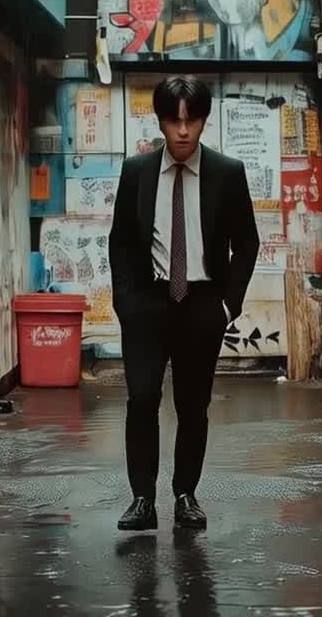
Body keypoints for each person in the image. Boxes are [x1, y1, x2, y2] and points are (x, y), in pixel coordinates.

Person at [108, 75, 260, 531]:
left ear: (203, 121)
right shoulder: (136, 172)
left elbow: (247, 243)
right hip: (148, 305)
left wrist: (228, 306)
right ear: (160, 121)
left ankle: (186, 495)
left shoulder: (228, 173)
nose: (182, 131)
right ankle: (141, 499)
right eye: (174, 120)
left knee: (193, 406)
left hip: (201, 304)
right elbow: (119, 240)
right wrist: (125, 301)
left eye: (191, 120)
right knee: (142, 398)